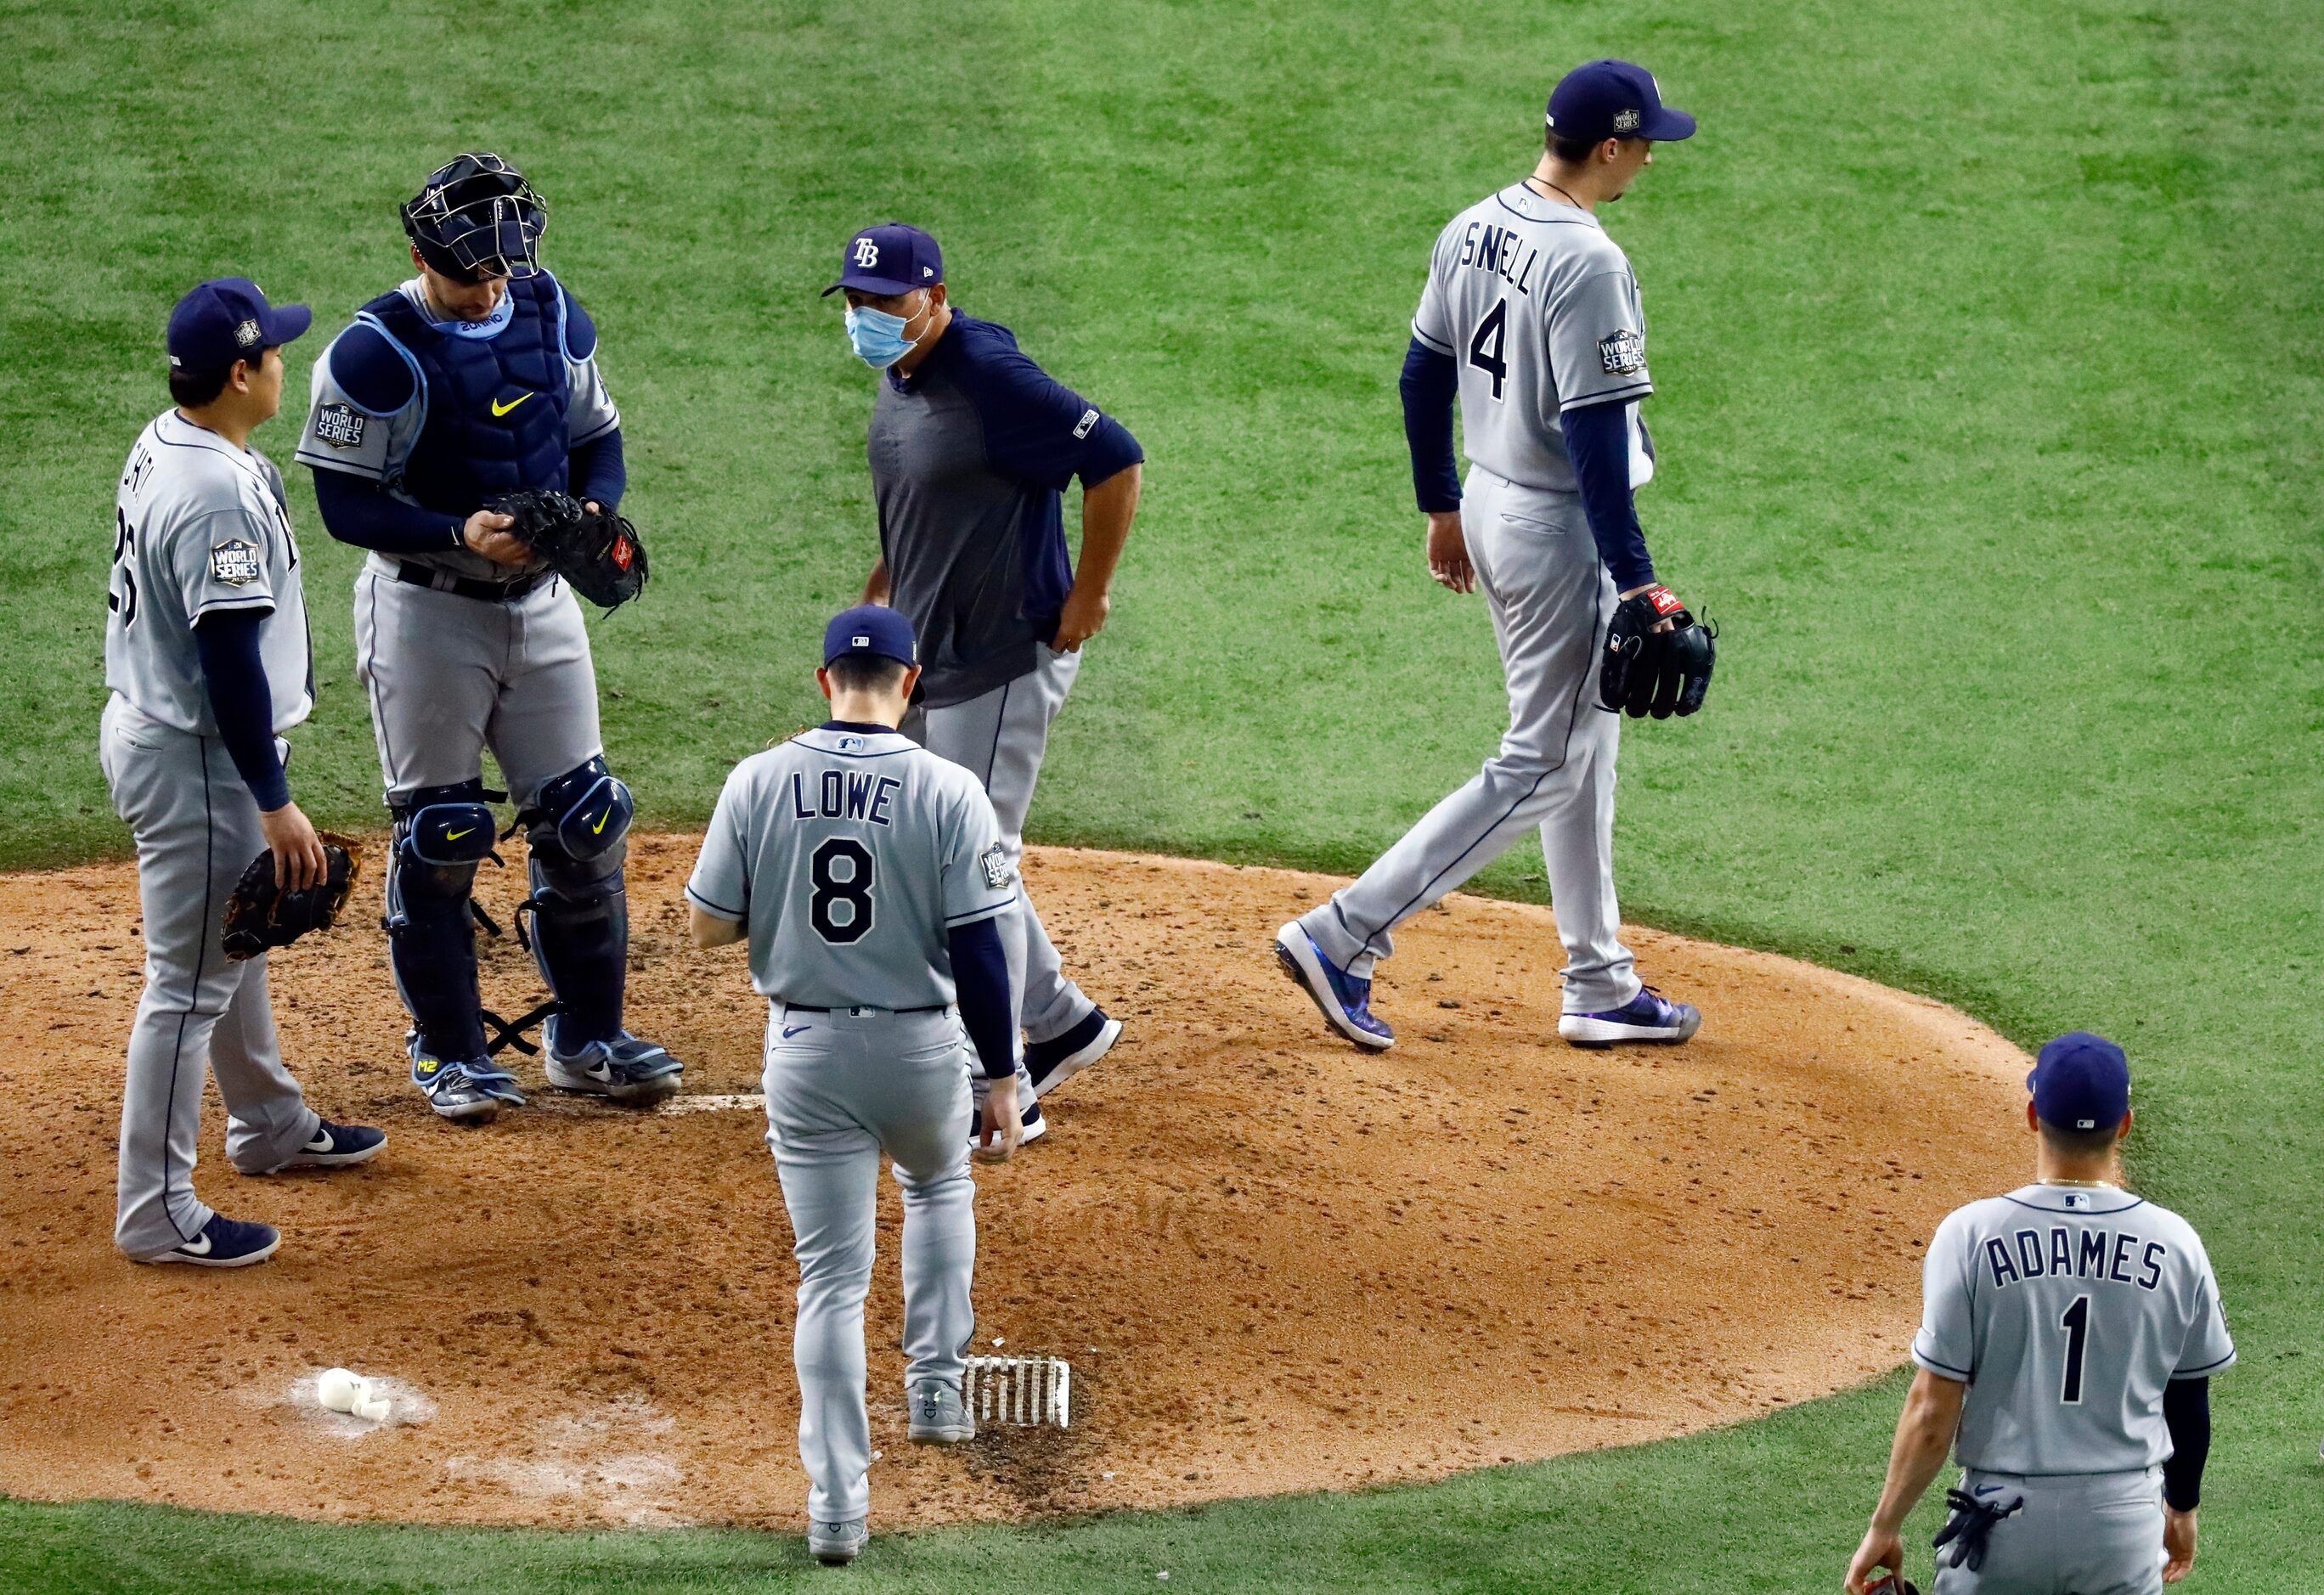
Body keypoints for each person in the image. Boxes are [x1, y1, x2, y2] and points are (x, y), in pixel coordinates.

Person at [1273, 60, 1706, 1051]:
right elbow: (1598, 440)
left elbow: (1421, 374)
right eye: (1645, 143)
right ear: (1609, 147)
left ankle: (1598, 981)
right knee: (1542, 760)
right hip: (1558, 526)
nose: (1650, 158)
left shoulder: (1474, 223)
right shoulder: (1589, 261)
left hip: (1490, 500)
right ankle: (1343, 934)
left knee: (1582, 746)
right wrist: (1639, 578)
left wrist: (1441, 503)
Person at [296, 152, 679, 1123]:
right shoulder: (373, 353)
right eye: (473, 274)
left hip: (542, 606)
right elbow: (344, 504)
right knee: (442, 834)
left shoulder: (551, 313)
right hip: (425, 610)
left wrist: (593, 511)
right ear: (423, 254)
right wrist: (455, 532)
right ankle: (451, 1052)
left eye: (503, 268)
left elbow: (600, 437)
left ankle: (590, 1040)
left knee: (588, 819)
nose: (491, 288)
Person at [685, 605, 1021, 1565]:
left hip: (808, 1054)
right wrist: (1000, 1075)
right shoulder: (950, 789)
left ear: (823, 679)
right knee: (938, 1186)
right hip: (921, 1052)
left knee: (830, 1282)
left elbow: (709, 926)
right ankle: (939, 1395)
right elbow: (981, 953)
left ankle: (837, 1511)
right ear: (911, 684)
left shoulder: (759, 779)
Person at [827, 222, 1143, 1141]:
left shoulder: (987, 376)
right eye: (852, 301)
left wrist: (1090, 592)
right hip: (930, 653)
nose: (865, 318)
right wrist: (884, 591)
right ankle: (1062, 1022)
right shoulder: (904, 371)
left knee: (974, 861)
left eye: (882, 303)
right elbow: (918, 495)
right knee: (948, 851)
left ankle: (1000, 1082)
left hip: (1003, 654)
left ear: (932, 294)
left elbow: (1114, 457)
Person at [101, 279, 386, 1268]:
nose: (285, 366)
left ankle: (266, 1121)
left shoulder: (175, 438)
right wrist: (274, 801)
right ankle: (156, 1210)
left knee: (232, 949)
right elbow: (228, 659)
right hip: (202, 758)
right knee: (186, 988)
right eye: (274, 355)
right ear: (239, 372)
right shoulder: (217, 489)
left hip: (161, 729)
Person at [1842, 1033, 2234, 1593]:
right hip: (2120, 1521)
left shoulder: (1971, 1235)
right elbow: (2188, 1397)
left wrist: (1886, 1524)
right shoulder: (2176, 1243)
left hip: (2003, 1520)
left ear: (2032, 1115)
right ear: (2124, 1125)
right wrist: (2182, 1506)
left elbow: (1933, 1409)